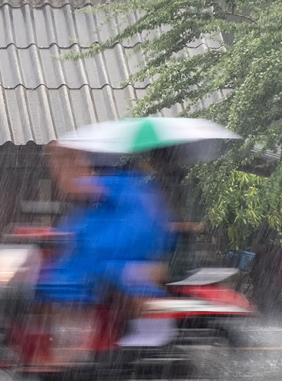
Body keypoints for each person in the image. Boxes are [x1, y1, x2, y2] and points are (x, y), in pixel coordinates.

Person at [33, 144, 176, 352]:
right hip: (102, 255)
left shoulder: (122, 185)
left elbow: (73, 187)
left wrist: (60, 158)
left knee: (85, 277)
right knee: (54, 277)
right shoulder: (128, 189)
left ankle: (145, 332)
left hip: (119, 256)